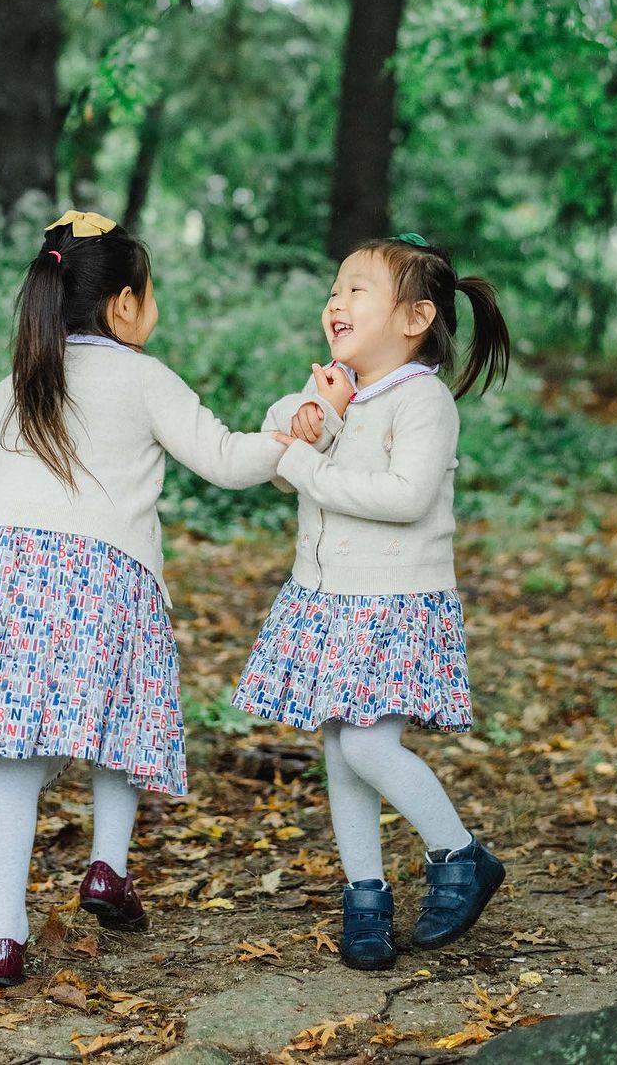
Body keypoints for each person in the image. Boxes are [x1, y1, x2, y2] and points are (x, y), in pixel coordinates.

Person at [0, 211, 287, 985]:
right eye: (152, 296)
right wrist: (301, 427)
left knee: (12, 761)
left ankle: (2, 935)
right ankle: (107, 868)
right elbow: (229, 460)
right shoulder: (144, 377)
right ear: (123, 305)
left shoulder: (20, 382)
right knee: (119, 727)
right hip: (104, 580)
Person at [233, 232, 511, 971]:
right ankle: (366, 895)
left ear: (415, 318)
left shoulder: (421, 401)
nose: (337, 300)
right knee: (341, 751)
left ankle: (461, 857)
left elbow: (405, 497)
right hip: (328, 599)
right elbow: (283, 452)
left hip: (393, 602)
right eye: (335, 289)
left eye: (358, 288)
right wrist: (307, 419)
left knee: (365, 743)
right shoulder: (336, 390)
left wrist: (303, 456)